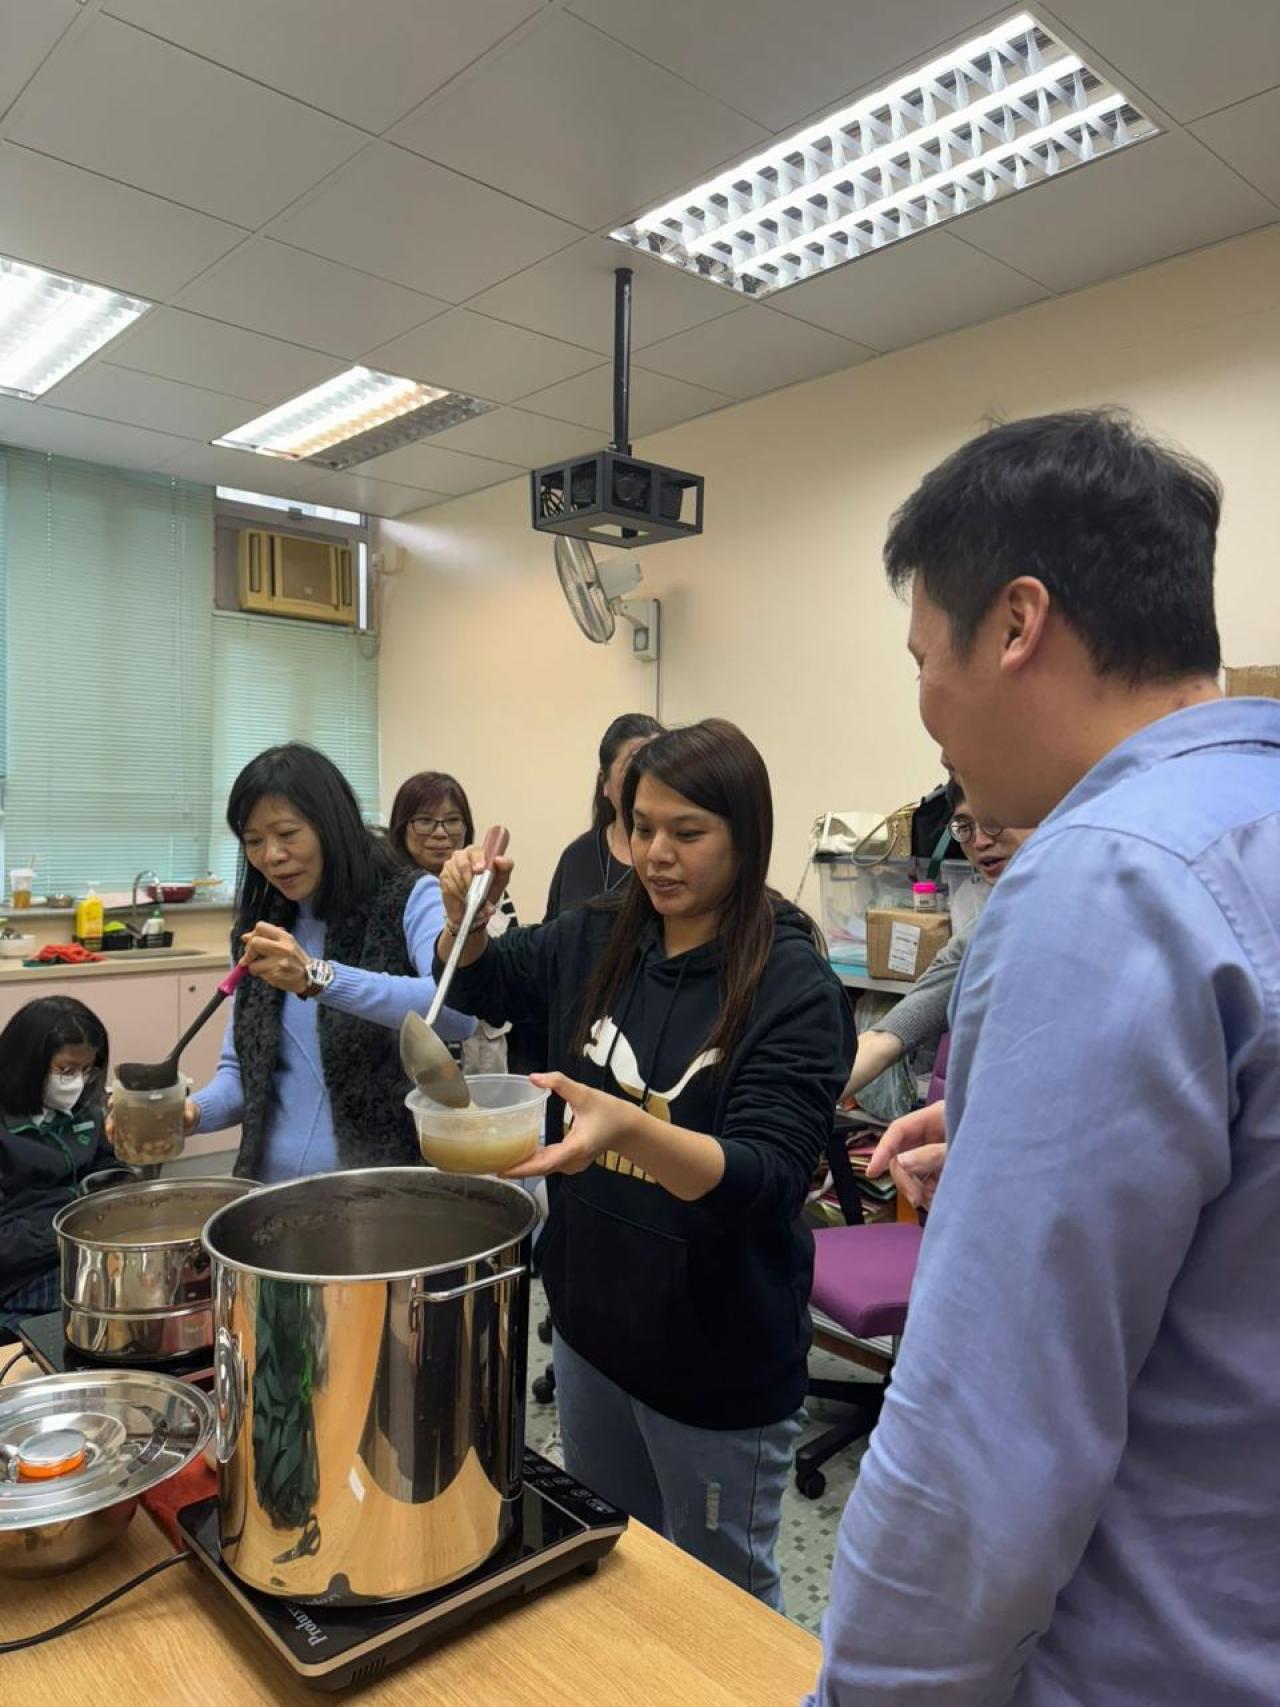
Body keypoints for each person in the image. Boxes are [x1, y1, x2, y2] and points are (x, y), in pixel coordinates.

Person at [812, 410, 1280, 1706]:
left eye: (924, 657)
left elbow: (983, 1451)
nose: (928, 713)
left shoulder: (1104, 878)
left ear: (1016, 623)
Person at [436, 719, 853, 1608]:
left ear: (746, 834)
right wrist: (463, 923)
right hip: (591, 1331)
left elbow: (765, 1178)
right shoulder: (597, 936)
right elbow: (484, 984)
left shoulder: (791, 985)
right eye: (642, 826)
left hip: (716, 1359)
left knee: (719, 1603)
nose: (657, 853)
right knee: (611, 1573)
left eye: (687, 831)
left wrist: (625, 1127)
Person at [183, 744, 474, 1182]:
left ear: (331, 825)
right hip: (269, 1192)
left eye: (287, 834)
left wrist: (318, 978)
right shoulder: (262, 927)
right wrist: (190, 1113)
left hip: (383, 1191)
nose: (271, 855)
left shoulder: (409, 897)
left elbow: (456, 1013)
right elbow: (244, 1075)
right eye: (254, 841)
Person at [843, 779, 1033, 1098]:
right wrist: (802, 1098)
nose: (979, 841)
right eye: (965, 826)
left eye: (993, 822)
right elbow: (888, 1037)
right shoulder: (985, 932)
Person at [389, 768, 521, 1073]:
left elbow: (509, 970)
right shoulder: (392, 895)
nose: (440, 833)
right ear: (401, 827)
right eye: (425, 821)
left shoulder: (491, 889)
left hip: (482, 1056)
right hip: (414, 1056)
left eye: (452, 820)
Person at [0, 997, 109, 1335]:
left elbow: (107, 1169)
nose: (78, 1082)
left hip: (83, 1252)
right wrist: (67, 1233)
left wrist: (121, 1193)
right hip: (23, 1277)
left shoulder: (84, 1111)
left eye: (87, 1070)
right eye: (66, 1070)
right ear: (27, 1064)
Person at [544, 712, 663, 918]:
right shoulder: (576, 856)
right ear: (604, 782)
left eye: (658, 770)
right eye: (634, 771)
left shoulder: (671, 857)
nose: (646, 782)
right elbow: (552, 933)